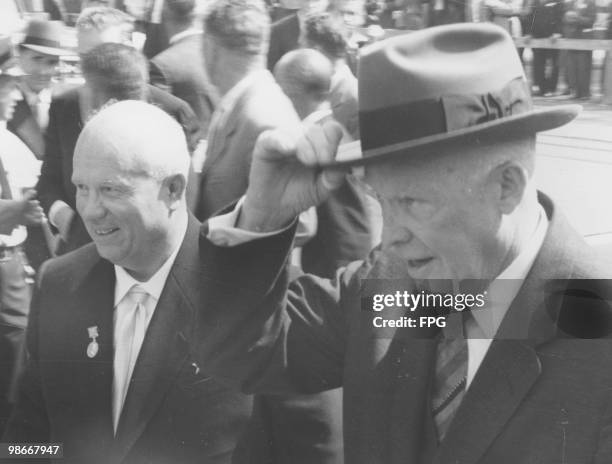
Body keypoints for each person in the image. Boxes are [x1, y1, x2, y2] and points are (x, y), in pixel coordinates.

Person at [198, 24, 612, 463]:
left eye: (414, 202)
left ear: (507, 185)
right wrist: (263, 216)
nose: (390, 236)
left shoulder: (598, 338)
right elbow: (239, 353)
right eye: (380, 201)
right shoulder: (393, 290)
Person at [2, 100, 339, 464]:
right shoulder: (60, 284)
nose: (90, 209)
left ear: (174, 190)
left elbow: (312, 449)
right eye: (82, 188)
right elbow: (30, 432)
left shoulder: (261, 294)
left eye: (111, 190)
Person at [35, 6, 201, 257]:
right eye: (84, 57)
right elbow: (49, 181)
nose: (91, 67)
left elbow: (184, 199)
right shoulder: (65, 106)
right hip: (82, 250)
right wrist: (64, 217)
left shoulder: (173, 112)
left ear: (129, 47)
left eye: (102, 54)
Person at [274, 48, 373, 277]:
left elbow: (305, 226)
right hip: (352, 255)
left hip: (333, 266)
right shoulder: (334, 130)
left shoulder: (312, 139)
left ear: (291, 92)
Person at [0, 37, 44, 437]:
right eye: (7, 85)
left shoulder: (10, 143)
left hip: (11, 267)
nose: (14, 95)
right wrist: (18, 210)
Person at [149, 0, 218, 134]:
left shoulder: (161, 66)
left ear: (165, 14)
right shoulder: (218, 52)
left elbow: (157, 125)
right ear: (196, 15)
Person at [8, 20, 69, 160]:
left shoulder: (68, 101)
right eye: (36, 59)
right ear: (19, 56)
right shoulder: (4, 99)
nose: (43, 71)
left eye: (52, 62)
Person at [301, 12, 359, 139]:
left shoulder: (355, 100)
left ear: (317, 51)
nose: (300, 53)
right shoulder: (306, 88)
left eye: (302, 47)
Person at [523, 0, 564, 95]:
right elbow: (530, 18)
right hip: (538, 38)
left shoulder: (558, 2)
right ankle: (542, 89)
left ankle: (551, 89)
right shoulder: (535, 2)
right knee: (538, 63)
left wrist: (557, 33)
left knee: (554, 65)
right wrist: (529, 33)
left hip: (553, 39)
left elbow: (560, 17)